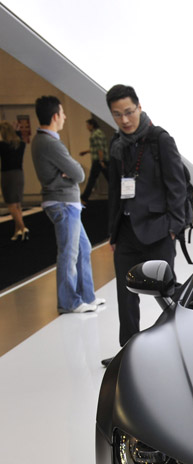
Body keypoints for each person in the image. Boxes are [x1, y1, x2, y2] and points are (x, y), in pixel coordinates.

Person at [105, 84, 188, 360]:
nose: (125, 120)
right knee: (125, 295)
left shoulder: (159, 139)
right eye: (117, 115)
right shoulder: (116, 144)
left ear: (139, 107)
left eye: (129, 112)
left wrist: (173, 228)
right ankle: (127, 354)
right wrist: (113, 234)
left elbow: (177, 186)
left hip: (158, 229)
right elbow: (115, 192)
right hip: (127, 232)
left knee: (166, 292)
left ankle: (180, 346)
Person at [31, 95, 104, 313]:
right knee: (69, 253)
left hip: (66, 203)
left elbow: (73, 172)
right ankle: (68, 302)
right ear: (55, 116)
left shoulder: (44, 141)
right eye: (62, 113)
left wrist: (69, 172)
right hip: (63, 203)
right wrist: (69, 171)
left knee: (83, 248)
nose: (64, 117)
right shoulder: (50, 143)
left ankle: (86, 297)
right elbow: (79, 173)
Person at [0, 120, 28, 241]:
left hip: (8, 175)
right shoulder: (21, 144)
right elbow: (19, 138)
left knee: (11, 204)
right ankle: (17, 231)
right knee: (17, 204)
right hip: (19, 174)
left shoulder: (2, 146)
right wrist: (17, 132)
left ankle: (23, 228)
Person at [79, 117, 109, 203]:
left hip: (99, 160)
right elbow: (97, 148)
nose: (87, 127)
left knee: (92, 179)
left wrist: (101, 160)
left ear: (92, 125)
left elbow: (99, 149)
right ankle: (121, 196)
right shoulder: (100, 133)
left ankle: (84, 198)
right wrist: (85, 152)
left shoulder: (95, 134)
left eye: (88, 125)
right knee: (110, 179)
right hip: (103, 159)